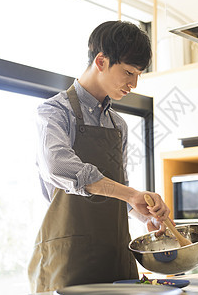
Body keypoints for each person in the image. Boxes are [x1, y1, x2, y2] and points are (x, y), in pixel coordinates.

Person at [28, 20, 172, 293]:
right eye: (129, 72)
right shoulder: (54, 112)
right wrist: (131, 194)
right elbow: (59, 166)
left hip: (116, 258)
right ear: (101, 61)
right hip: (68, 261)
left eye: (138, 74)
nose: (134, 83)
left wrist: (143, 215)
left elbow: (118, 190)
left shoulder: (118, 125)